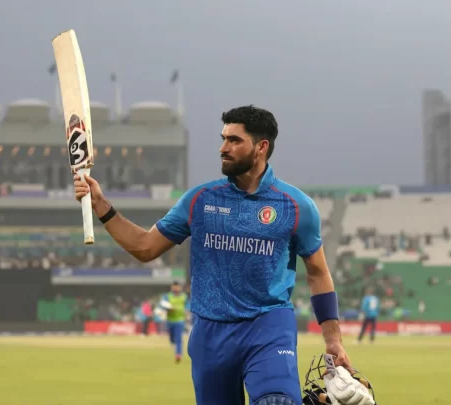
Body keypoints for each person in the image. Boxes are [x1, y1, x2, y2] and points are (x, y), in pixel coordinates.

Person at [74, 105, 350, 405]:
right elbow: (145, 247)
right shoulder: (199, 200)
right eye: (223, 139)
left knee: (277, 402)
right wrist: (102, 206)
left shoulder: (296, 206)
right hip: (210, 332)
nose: (223, 148)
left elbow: (318, 272)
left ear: (261, 147)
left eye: (234, 140)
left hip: (269, 325)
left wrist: (333, 340)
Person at [160, 281, 188, 363]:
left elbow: (187, 306)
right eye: (174, 287)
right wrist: (168, 308)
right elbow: (162, 304)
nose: (175, 288)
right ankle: (173, 341)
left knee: (179, 338)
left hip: (180, 320)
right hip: (170, 320)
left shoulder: (184, 296)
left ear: (180, 287)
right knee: (172, 338)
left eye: (177, 286)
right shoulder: (167, 296)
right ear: (171, 287)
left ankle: (178, 354)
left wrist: (186, 311)